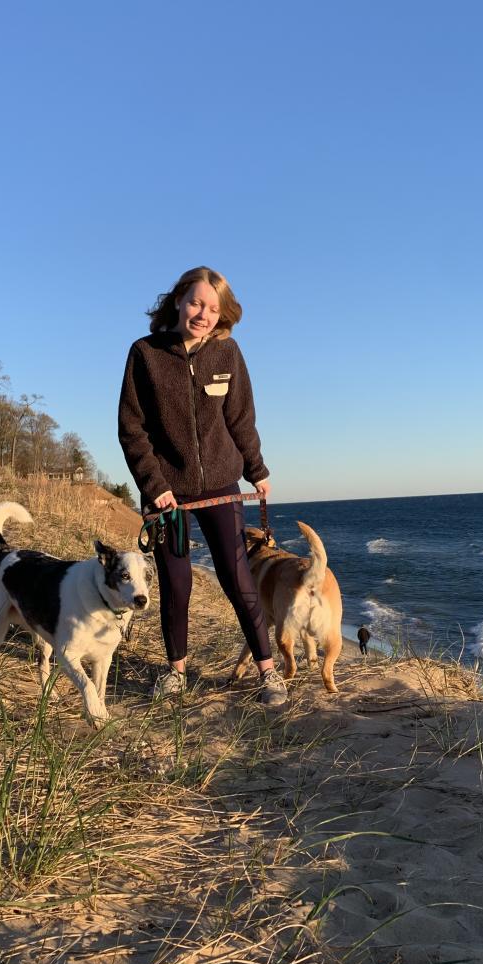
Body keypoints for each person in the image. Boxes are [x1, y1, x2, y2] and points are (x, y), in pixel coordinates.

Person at [118, 267, 288, 707]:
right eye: (196, 302)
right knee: (177, 584)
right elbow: (132, 430)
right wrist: (154, 485)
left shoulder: (227, 352)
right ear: (178, 300)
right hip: (166, 492)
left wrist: (257, 470)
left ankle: (267, 670)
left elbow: (241, 419)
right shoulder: (145, 353)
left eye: (213, 308)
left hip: (220, 484)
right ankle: (175, 672)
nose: (203, 314)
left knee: (238, 578)